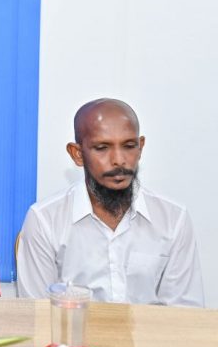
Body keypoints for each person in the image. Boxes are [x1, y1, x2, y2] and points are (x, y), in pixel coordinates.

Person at [17, 98, 204, 306]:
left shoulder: (173, 219)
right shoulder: (45, 220)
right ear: (77, 154)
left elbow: (185, 313)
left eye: (129, 146)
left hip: (152, 329)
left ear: (140, 148)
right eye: (102, 148)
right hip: (74, 329)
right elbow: (38, 314)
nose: (118, 160)